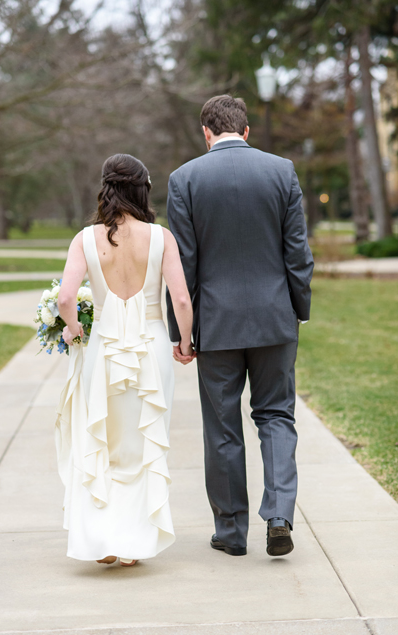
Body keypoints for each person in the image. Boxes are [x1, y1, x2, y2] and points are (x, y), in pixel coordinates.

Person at [165, 95, 313, 557]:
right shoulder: (282, 171)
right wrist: (298, 309)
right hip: (274, 320)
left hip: (216, 326)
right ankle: (280, 515)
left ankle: (230, 533)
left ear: (206, 133)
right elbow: (298, 255)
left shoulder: (184, 179)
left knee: (222, 426)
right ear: (246, 131)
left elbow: (183, 267)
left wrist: (181, 333)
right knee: (276, 416)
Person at [55, 154, 195, 565]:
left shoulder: (85, 238)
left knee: (104, 441)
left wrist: (73, 327)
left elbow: (66, 298)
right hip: (151, 347)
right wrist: (184, 343)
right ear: (142, 189)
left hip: (104, 348)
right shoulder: (161, 237)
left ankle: (101, 542)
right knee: (143, 443)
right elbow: (182, 299)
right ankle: (133, 544)